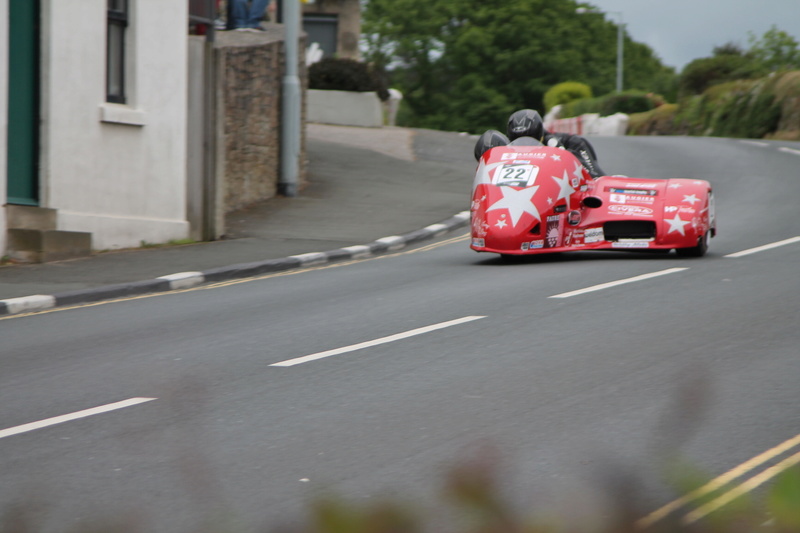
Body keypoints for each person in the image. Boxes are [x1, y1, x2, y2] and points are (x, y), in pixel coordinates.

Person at [506, 109, 606, 178]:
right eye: (519, 140)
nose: (525, 145)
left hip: (559, 189)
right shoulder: (505, 149)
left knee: (594, 176)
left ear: (540, 136)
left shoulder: (570, 143)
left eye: (529, 140)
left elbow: (593, 176)